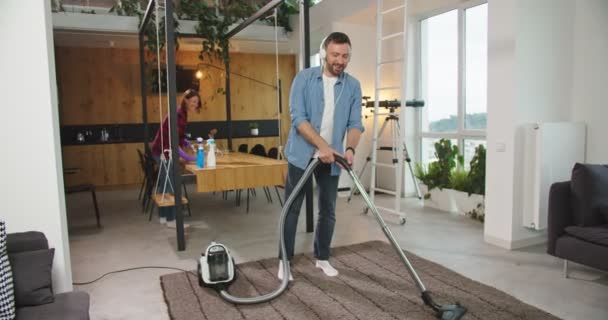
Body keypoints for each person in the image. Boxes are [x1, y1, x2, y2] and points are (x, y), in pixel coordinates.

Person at [279, 32, 364, 280]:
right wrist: (322, 147)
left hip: (332, 158)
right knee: (292, 208)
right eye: (335, 54)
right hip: (302, 155)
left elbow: (356, 123)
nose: (340, 60)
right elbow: (299, 120)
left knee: (328, 210)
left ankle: (322, 257)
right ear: (325, 53)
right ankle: (284, 260)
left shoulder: (352, 85)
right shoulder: (304, 79)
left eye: (345, 56)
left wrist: (350, 149)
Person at [151, 88, 201, 228]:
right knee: (171, 184)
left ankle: (163, 216)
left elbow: (178, 135)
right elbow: (173, 141)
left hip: (161, 150)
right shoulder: (179, 115)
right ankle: (172, 220)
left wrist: (186, 142)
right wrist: (189, 157)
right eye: (193, 101)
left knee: (165, 183)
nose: (195, 104)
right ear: (185, 100)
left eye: (197, 102)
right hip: (163, 152)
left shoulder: (182, 113)